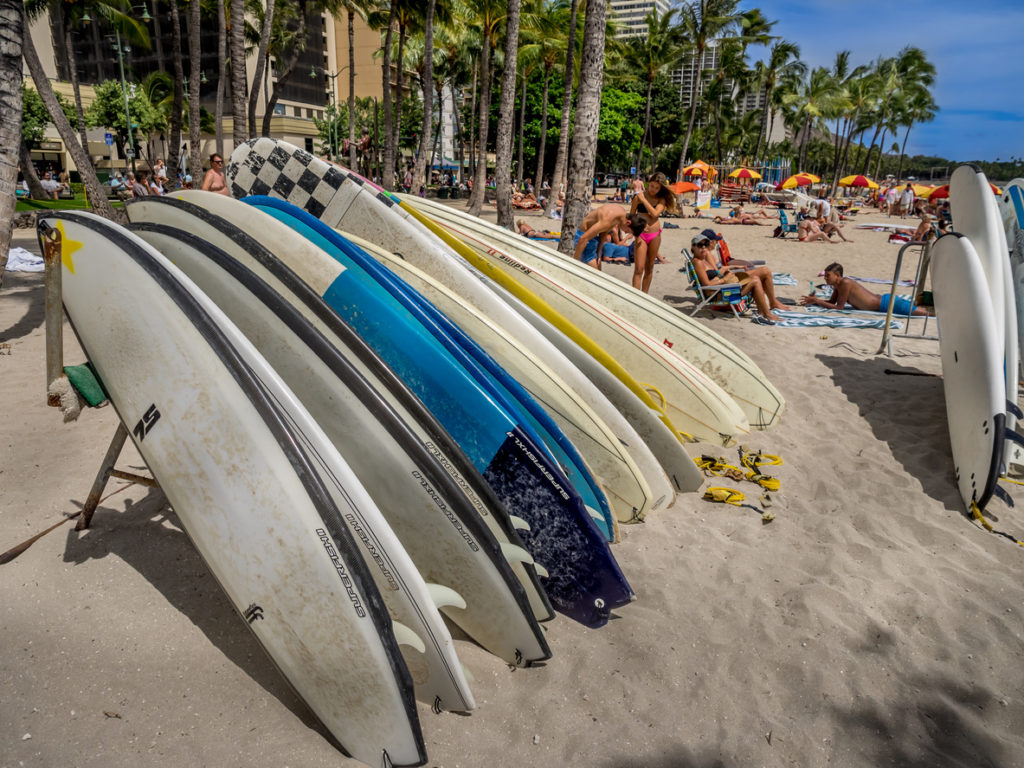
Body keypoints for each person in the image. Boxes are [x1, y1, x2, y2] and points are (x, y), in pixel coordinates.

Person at [690, 234, 785, 322]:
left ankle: (763, 311)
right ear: (693, 247)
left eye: (705, 244)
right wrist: (724, 279)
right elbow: (707, 284)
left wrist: (730, 270)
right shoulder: (698, 262)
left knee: (764, 271)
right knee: (755, 280)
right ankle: (767, 314)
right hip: (719, 294)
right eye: (700, 245)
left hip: (723, 287)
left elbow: (716, 273)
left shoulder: (703, 260)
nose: (703, 247)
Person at [800, 262, 929, 316]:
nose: (825, 279)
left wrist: (816, 301)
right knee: (923, 311)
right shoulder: (837, 285)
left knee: (926, 314)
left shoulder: (845, 283)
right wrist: (815, 300)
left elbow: (839, 308)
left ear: (838, 275)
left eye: (828, 276)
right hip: (884, 302)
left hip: (888, 304)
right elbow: (832, 303)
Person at [629, 172, 678, 292]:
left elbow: (655, 214)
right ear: (648, 183)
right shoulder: (637, 198)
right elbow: (631, 216)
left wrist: (643, 199)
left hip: (655, 235)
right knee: (639, 268)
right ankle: (635, 297)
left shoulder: (661, 200)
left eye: (657, 188)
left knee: (649, 267)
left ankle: (644, 296)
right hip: (641, 235)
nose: (653, 190)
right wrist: (637, 227)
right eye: (651, 186)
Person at [573, 204, 646, 269]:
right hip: (584, 239)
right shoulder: (607, 220)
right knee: (596, 276)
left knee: (598, 273)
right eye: (628, 231)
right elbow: (582, 239)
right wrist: (574, 264)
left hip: (593, 239)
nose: (625, 232)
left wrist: (598, 253)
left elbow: (604, 233)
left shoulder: (621, 214)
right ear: (628, 222)